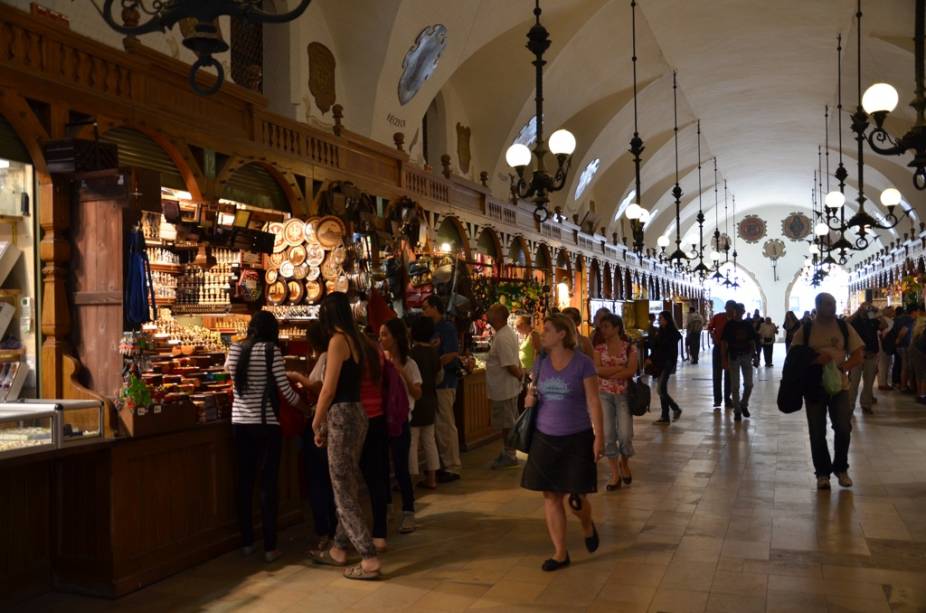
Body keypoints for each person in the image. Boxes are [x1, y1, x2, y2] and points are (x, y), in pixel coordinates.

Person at [521, 313, 604, 572]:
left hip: (577, 436)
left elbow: (593, 401)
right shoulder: (540, 363)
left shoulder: (583, 364)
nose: (542, 333)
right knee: (551, 495)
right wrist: (529, 399)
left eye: (547, 330)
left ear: (562, 335)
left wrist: (599, 436)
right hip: (545, 435)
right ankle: (560, 553)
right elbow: (530, 393)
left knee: (576, 499)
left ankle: (587, 524)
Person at [309, 293, 381, 580]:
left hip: (341, 415)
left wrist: (317, 420)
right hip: (357, 414)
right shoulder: (357, 340)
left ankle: (368, 557)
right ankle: (339, 548)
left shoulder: (337, 341)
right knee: (348, 482)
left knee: (342, 489)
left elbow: (328, 389)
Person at [225, 311, 307, 563]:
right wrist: (304, 407)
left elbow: (229, 375)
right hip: (266, 425)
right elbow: (285, 391)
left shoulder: (236, 349)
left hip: (240, 423)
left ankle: (247, 542)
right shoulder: (272, 352)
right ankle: (270, 547)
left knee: (244, 483)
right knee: (267, 485)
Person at [789, 292, 863, 490]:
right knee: (816, 430)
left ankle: (841, 468)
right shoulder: (806, 330)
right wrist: (814, 360)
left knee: (843, 428)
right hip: (814, 386)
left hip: (840, 386)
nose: (833, 307)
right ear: (818, 306)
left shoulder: (843, 327)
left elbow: (858, 355)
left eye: (834, 303)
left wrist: (842, 368)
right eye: (829, 304)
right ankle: (822, 473)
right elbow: (793, 356)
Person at [291, 321, 337, 553]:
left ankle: (325, 532)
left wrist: (296, 376)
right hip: (334, 423)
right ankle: (335, 531)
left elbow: (320, 388)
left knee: (319, 481)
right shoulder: (335, 355)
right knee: (330, 480)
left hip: (322, 424)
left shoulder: (326, 357)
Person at [379, 318, 421, 534]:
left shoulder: (409, 364)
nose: (381, 339)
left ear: (395, 338)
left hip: (401, 420)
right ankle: (386, 509)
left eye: (385, 334)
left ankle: (408, 511)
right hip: (381, 419)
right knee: (382, 467)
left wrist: (400, 371)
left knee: (401, 467)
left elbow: (417, 393)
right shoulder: (378, 361)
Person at [594, 313, 637, 490]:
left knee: (625, 435)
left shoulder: (629, 348)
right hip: (604, 394)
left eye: (606, 327)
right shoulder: (599, 349)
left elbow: (631, 371)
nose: (603, 330)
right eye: (601, 327)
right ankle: (614, 474)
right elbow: (597, 370)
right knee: (608, 434)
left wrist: (610, 372)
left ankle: (624, 462)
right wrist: (620, 368)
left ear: (616, 328)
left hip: (623, 394)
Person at [422, 295, 462, 483]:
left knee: (446, 424)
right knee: (439, 425)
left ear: (436, 308)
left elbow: (452, 353)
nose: (424, 311)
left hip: (445, 382)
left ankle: (452, 467)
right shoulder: (431, 329)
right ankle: (443, 464)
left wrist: (434, 365)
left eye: (426, 307)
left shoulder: (446, 328)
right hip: (435, 384)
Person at [485, 304, 524, 469]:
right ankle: (508, 451)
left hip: (505, 389)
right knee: (506, 422)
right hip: (505, 388)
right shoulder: (504, 334)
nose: (487, 315)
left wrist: (521, 376)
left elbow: (509, 365)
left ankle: (510, 454)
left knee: (508, 423)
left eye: (490, 312)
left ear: (499, 316)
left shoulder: (502, 337)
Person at [409, 316, 441, 490]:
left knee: (412, 442)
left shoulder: (412, 354)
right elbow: (438, 376)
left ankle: (412, 480)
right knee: (430, 440)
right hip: (430, 399)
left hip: (415, 402)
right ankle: (432, 479)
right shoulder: (434, 354)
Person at [722, 303, 758, 421]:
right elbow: (724, 342)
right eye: (739, 310)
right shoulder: (729, 325)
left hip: (746, 356)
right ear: (735, 311)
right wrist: (724, 359)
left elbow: (752, 341)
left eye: (742, 310)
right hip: (733, 356)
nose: (741, 312)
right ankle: (737, 410)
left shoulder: (747, 324)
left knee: (749, 384)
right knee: (735, 385)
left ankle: (744, 404)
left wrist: (755, 355)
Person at [651, 311, 683, 424]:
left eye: (661, 318)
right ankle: (665, 416)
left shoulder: (672, 333)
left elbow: (667, 348)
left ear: (667, 319)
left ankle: (675, 408)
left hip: (667, 363)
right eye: (659, 318)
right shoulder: (660, 331)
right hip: (659, 363)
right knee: (662, 389)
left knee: (660, 389)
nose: (659, 320)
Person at [848, 303, 880, 414]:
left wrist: (877, 312)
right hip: (857, 355)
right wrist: (858, 311)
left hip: (871, 355)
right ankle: (850, 406)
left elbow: (884, 326)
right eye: (865, 307)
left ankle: (866, 404)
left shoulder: (872, 319)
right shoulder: (855, 321)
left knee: (869, 382)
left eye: (868, 307)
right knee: (854, 382)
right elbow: (845, 323)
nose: (866, 309)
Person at [708, 300, 736, 409]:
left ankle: (727, 399)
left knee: (729, 375)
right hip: (718, 347)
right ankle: (717, 400)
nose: (728, 309)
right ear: (725, 307)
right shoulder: (718, 317)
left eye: (731, 308)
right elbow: (710, 328)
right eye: (727, 307)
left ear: (734, 309)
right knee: (717, 374)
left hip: (730, 349)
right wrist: (713, 336)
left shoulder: (735, 320)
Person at [877, 306, 895, 391]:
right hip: (883, 344)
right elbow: (884, 333)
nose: (893, 313)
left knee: (883, 363)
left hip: (880, 343)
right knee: (884, 363)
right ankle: (883, 383)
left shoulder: (880, 319)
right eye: (891, 311)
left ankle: (882, 382)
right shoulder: (889, 321)